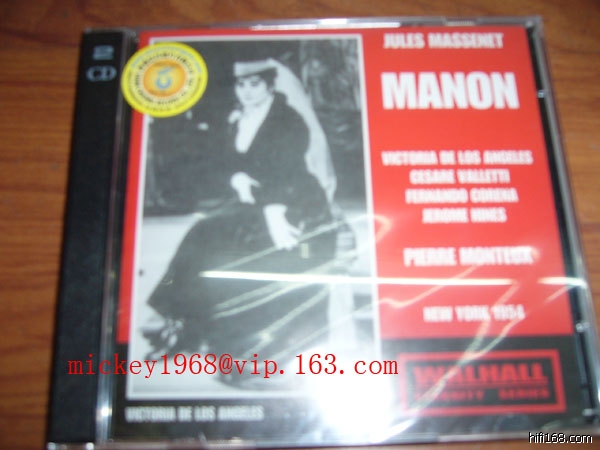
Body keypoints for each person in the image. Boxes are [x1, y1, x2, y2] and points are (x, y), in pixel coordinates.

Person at [142, 58, 339, 380]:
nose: (246, 92)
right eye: (241, 85)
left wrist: (274, 210)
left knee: (242, 252)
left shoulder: (288, 120)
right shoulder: (237, 119)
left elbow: (287, 169)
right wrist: (237, 177)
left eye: (255, 84)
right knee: (202, 232)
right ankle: (184, 324)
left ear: (270, 86)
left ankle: (236, 344)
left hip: (294, 202)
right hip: (256, 201)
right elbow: (223, 161)